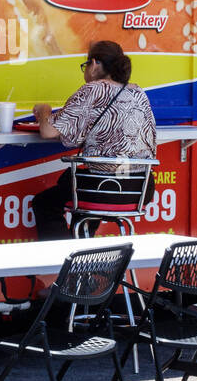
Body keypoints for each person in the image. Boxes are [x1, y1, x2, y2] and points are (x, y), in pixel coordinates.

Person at [31, 40, 158, 241]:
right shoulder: (138, 92)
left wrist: (44, 110)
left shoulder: (93, 90)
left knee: (44, 203)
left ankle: (60, 266)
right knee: (85, 200)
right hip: (139, 188)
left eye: (86, 65)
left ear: (95, 64)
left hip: (103, 187)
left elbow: (48, 131)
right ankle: (83, 264)